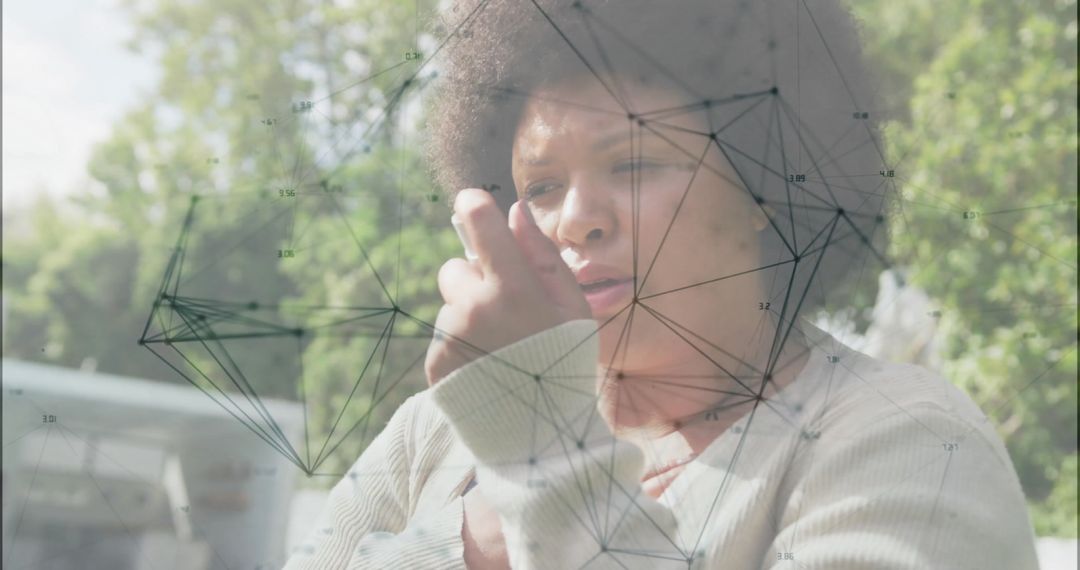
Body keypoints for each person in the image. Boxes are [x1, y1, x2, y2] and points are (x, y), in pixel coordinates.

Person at [284, 0, 1041, 568]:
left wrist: (542, 453)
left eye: (635, 166)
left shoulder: (909, 436)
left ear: (764, 185)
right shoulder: (438, 428)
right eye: (541, 186)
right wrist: (463, 537)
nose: (576, 221)